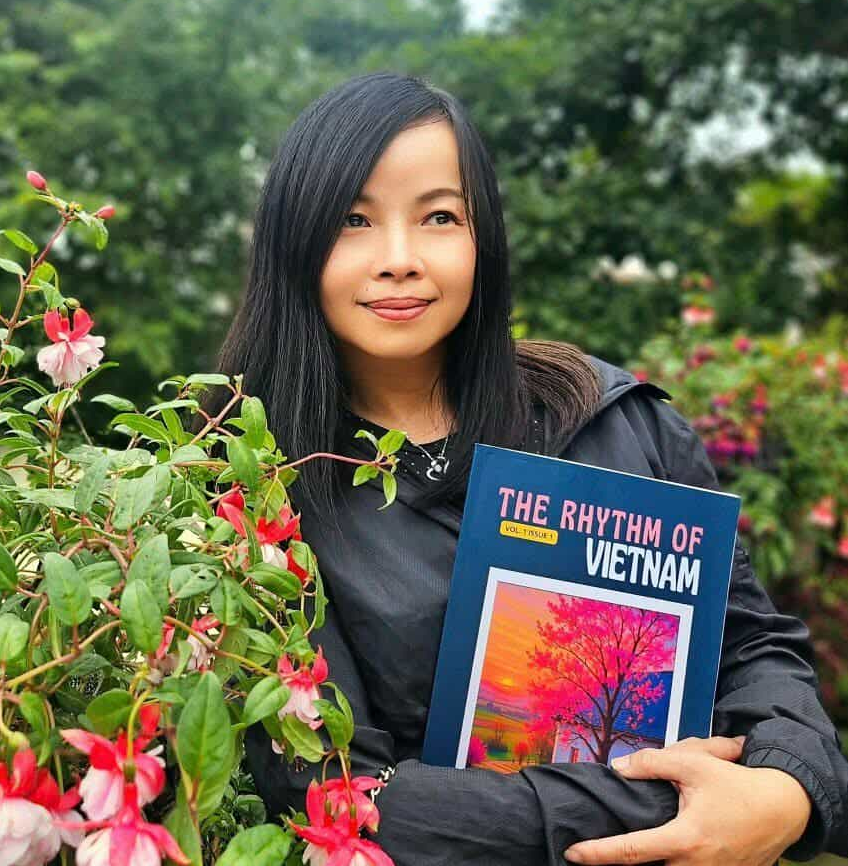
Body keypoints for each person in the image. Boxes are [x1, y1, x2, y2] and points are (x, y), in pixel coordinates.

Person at [200, 72, 848, 865]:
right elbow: (341, 796)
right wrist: (673, 805)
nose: (399, 259)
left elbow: (750, 647)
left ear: (484, 239)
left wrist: (785, 786)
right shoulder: (251, 491)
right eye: (353, 220)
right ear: (293, 242)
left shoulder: (614, 418)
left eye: (440, 216)